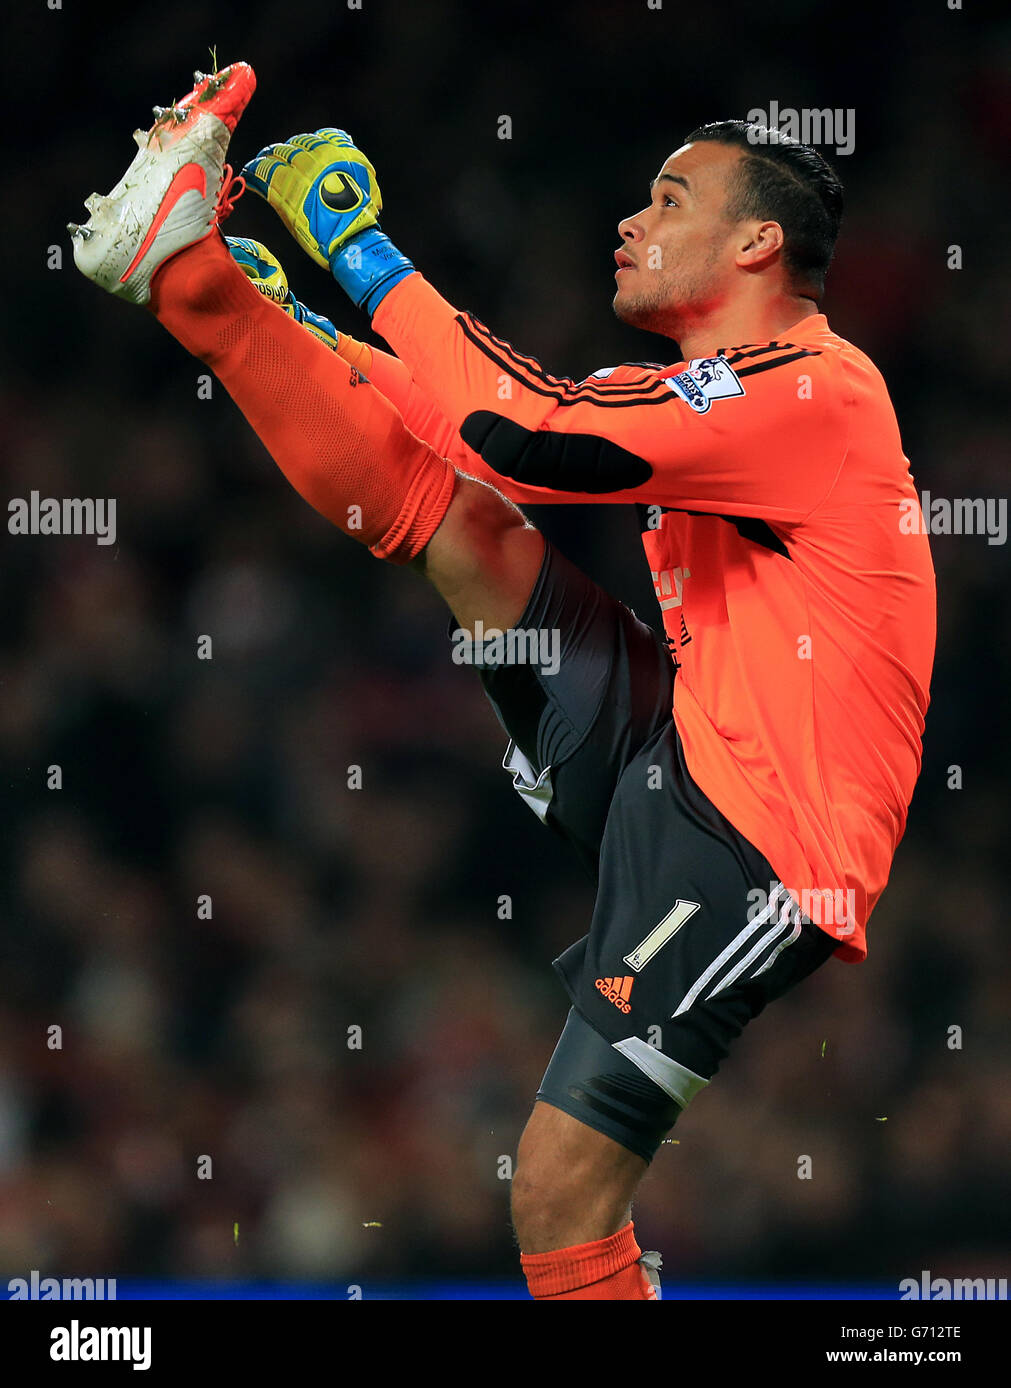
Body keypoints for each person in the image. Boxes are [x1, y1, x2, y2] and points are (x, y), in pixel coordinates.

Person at [69, 61, 936, 1300]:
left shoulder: (817, 393)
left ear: (756, 241)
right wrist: (305, 339)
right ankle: (192, 284)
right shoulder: (729, 386)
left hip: (766, 844)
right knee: (469, 531)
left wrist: (358, 253)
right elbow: (486, 440)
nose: (632, 222)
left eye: (670, 198)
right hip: (690, 743)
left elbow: (529, 427)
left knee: (557, 1192)